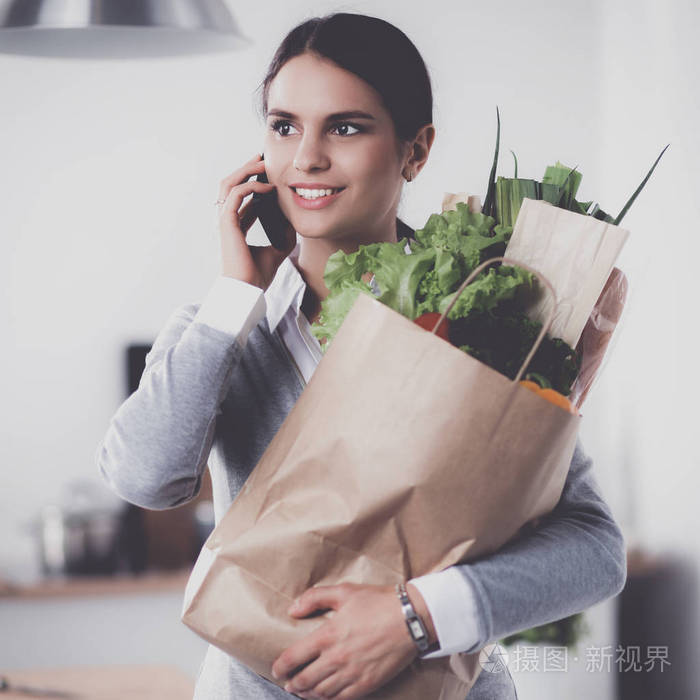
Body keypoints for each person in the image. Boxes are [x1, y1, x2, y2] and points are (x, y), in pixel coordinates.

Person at [96, 12, 627, 700]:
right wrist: (235, 298)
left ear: (416, 150)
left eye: (345, 127)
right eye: (284, 126)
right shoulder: (223, 326)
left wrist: (418, 618)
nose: (306, 158)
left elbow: (594, 550)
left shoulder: (489, 317)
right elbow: (145, 478)